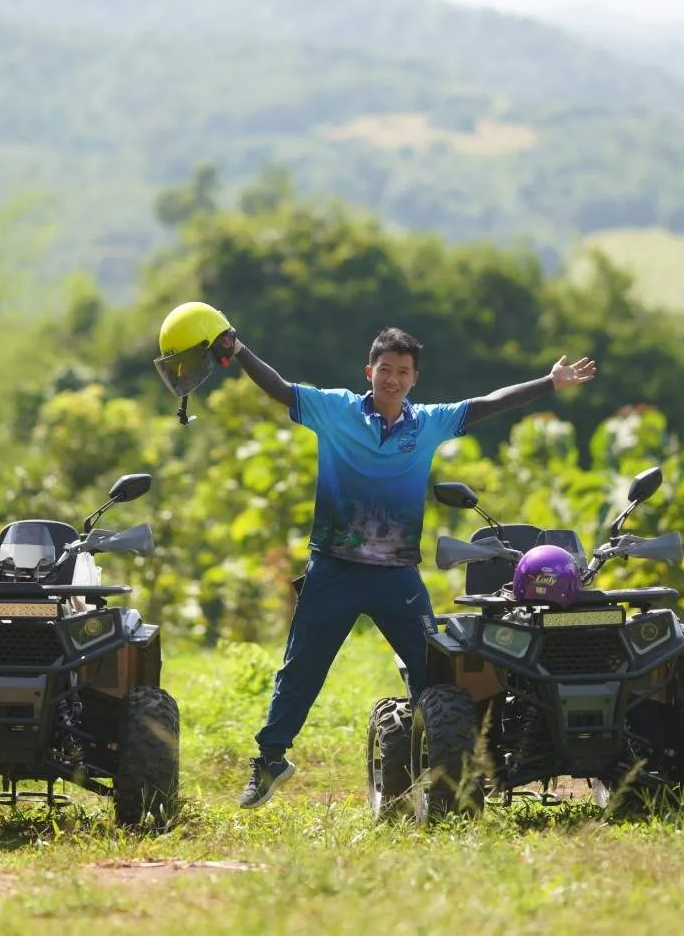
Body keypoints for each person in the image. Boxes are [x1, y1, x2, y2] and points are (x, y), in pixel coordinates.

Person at [218, 323, 596, 809]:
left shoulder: (429, 423)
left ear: (414, 379)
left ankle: (448, 767)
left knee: (434, 671)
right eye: (384, 370)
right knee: (301, 669)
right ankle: (270, 759)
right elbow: (279, 388)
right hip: (334, 569)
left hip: (397, 575)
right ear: (368, 371)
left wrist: (549, 382)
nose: (392, 379)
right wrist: (240, 349)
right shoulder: (335, 411)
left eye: (402, 372)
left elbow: (489, 403)